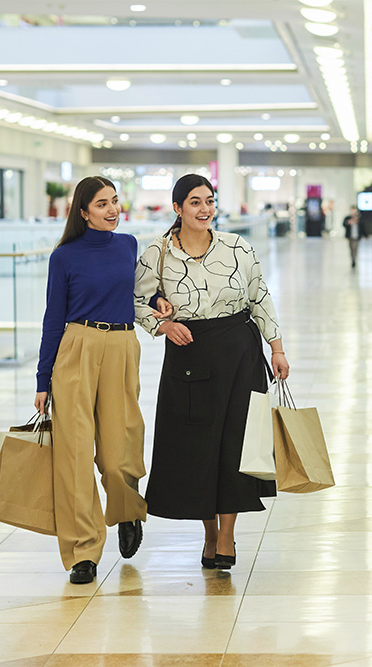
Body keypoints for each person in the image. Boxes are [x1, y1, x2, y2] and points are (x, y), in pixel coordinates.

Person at [134, 174, 289, 570]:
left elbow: (260, 296)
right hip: (189, 354)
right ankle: (208, 532)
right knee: (198, 447)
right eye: (195, 202)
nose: (205, 209)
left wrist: (277, 348)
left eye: (209, 201)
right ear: (177, 208)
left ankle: (227, 536)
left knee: (237, 443)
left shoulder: (238, 248)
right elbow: (136, 300)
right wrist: (163, 326)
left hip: (239, 352)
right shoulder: (158, 253)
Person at [34, 176, 161, 584]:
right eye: (102, 204)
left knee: (120, 442)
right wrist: (43, 379)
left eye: (115, 201)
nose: (112, 210)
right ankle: (82, 551)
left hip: (123, 346)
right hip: (77, 347)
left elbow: (139, 293)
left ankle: (125, 511)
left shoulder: (127, 245)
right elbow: (53, 319)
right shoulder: (65, 257)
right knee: (72, 451)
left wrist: (158, 301)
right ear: (83, 211)